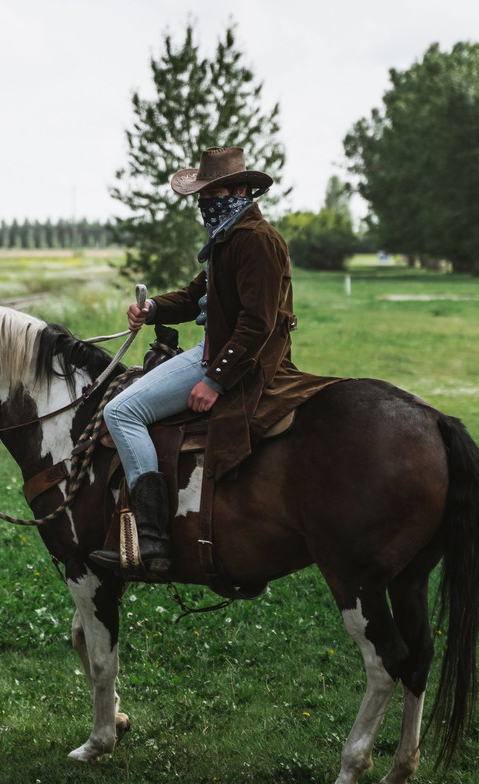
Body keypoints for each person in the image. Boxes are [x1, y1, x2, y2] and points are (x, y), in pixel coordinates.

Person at [89, 147, 337, 575]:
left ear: (241, 189)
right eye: (202, 194)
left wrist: (215, 381)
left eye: (214, 191)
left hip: (231, 360)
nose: (205, 201)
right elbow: (192, 297)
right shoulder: (228, 236)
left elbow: (257, 324)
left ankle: (150, 538)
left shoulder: (256, 241)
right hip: (214, 349)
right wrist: (153, 311)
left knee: (121, 410)